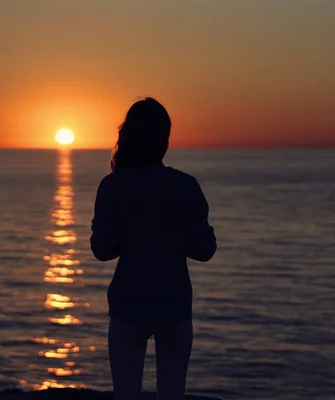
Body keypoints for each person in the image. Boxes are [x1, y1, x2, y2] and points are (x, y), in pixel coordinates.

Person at [90, 97, 217, 400]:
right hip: (174, 306)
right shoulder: (186, 186)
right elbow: (205, 249)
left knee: (126, 395)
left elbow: (103, 249)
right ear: (165, 140)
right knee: (173, 395)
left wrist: (132, 232)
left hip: (128, 306)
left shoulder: (113, 185)